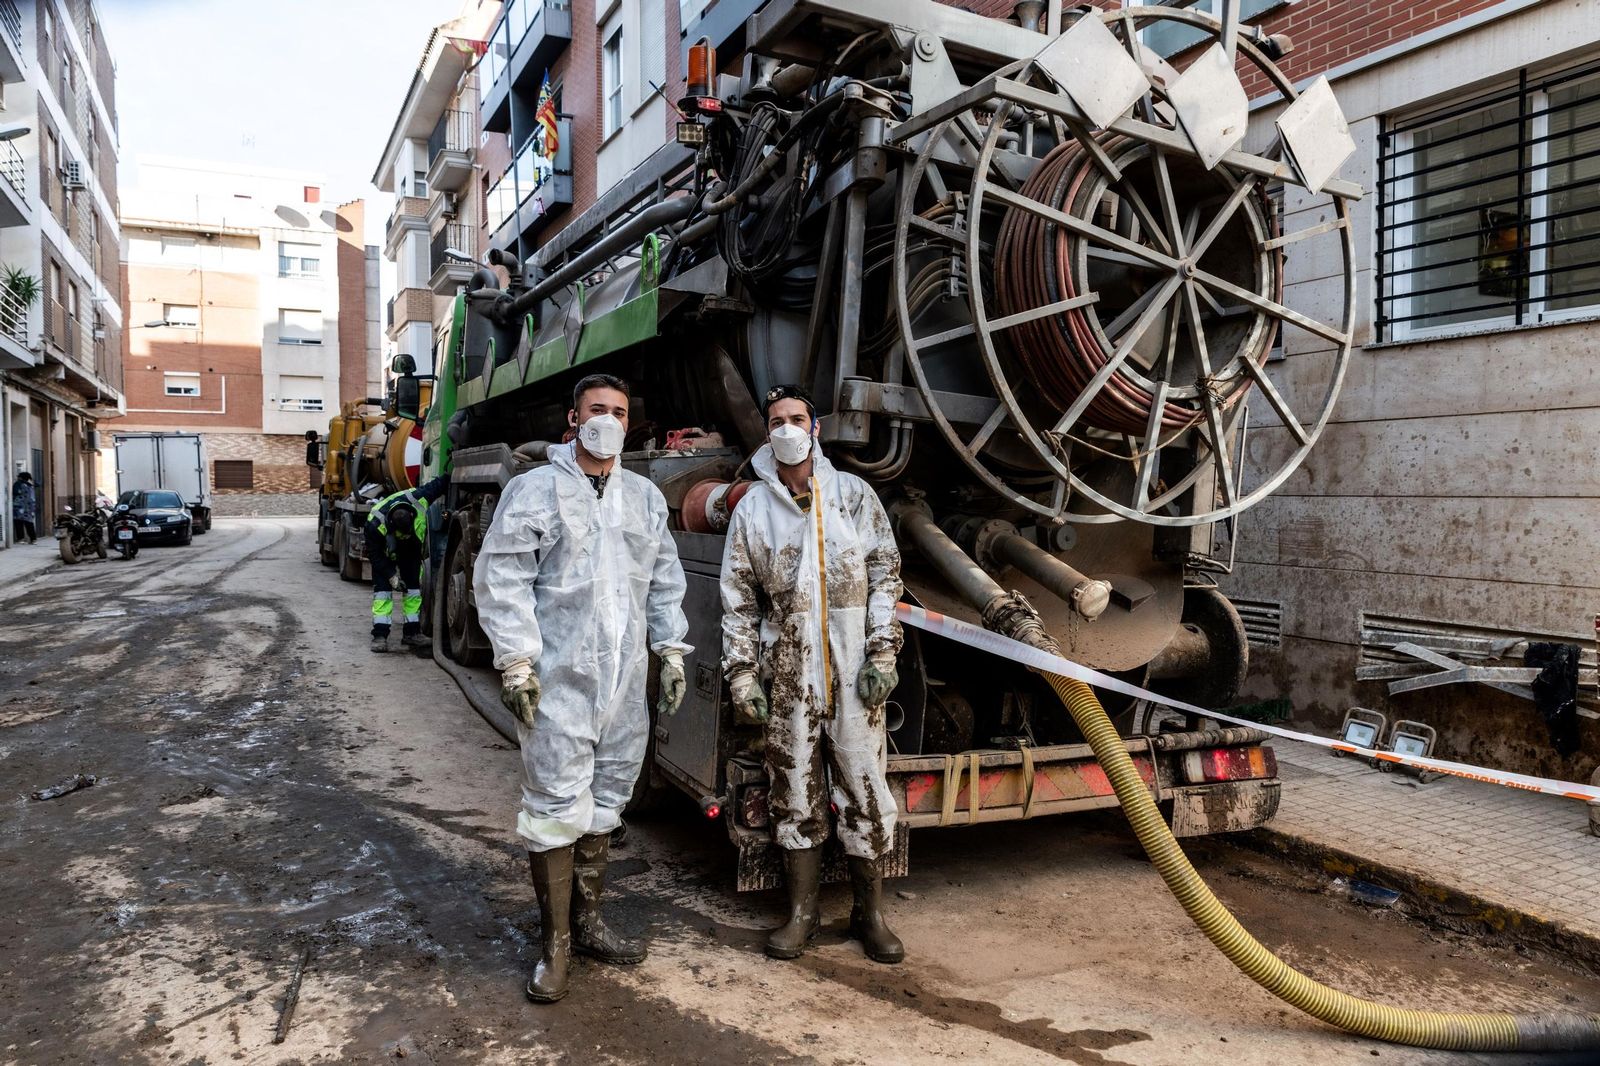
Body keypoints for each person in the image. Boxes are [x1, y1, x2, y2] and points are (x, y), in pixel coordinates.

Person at [473, 372, 691, 1004]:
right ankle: (555, 946)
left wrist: (670, 651)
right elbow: (503, 579)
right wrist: (517, 663)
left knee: (606, 799)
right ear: (573, 419)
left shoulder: (644, 498)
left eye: (619, 412)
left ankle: (588, 923)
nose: (608, 421)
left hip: (624, 681)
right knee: (552, 807)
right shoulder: (535, 489)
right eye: (597, 409)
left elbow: (664, 581)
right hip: (559, 680)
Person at [719, 384, 906, 964]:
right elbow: (738, 599)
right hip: (788, 673)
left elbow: (885, 574)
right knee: (793, 789)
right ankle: (802, 913)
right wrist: (742, 674)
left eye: (797, 418)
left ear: (815, 428)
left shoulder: (852, 495)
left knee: (865, 787)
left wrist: (882, 654)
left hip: (854, 673)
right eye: (777, 420)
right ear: (767, 432)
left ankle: (870, 914)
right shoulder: (753, 508)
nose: (787, 429)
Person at [365, 475, 448, 653]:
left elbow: (440, 483)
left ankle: (412, 633)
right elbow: (375, 556)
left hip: (410, 549)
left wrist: (454, 475)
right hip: (384, 553)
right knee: (382, 592)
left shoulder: (420, 498)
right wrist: (391, 576)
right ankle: (380, 636)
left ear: (412, 515)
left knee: (413, 590)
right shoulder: (374, 525)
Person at [11, 471, 37, 544]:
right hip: (29, 508)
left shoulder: (18, 484)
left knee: (19, 523)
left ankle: (21, 538)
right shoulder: (30, 486)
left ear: (20, 477)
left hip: (19, 507)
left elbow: (15, 492)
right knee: (29, 523)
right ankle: (33, 539)